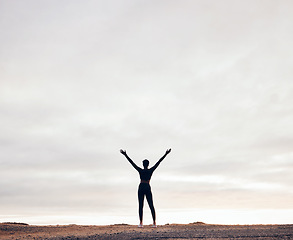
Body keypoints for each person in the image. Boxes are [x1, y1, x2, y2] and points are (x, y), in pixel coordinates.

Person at [120, 148, 171, 228]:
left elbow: (132, 163)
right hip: (147, 186)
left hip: (141, 187)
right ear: (148, 164)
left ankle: (141, 223)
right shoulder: (150, 170)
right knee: (151, 205)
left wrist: (125, 155)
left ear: (143, 164)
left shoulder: (140, 170)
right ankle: (154, 223)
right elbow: (159, 162)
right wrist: (166, 154)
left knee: (141, 205)